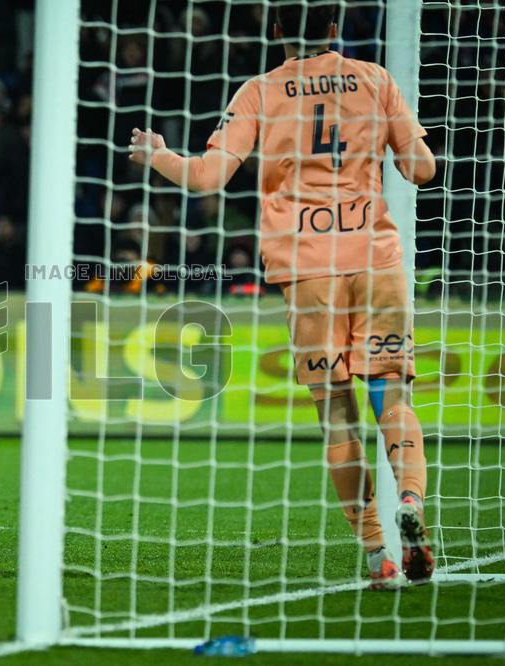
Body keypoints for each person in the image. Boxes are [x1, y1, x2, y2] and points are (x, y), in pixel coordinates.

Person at [129, 3, 436, 590]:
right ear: (334, 29)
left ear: (275, 32)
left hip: (307, 270)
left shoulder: (261, 90)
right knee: (391, 397)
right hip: (378, 261)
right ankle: (413, 505)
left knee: (338, 417)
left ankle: (380, 557)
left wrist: (157, 155)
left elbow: (206, 177)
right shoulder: (376, 79)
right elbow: (421, 169)